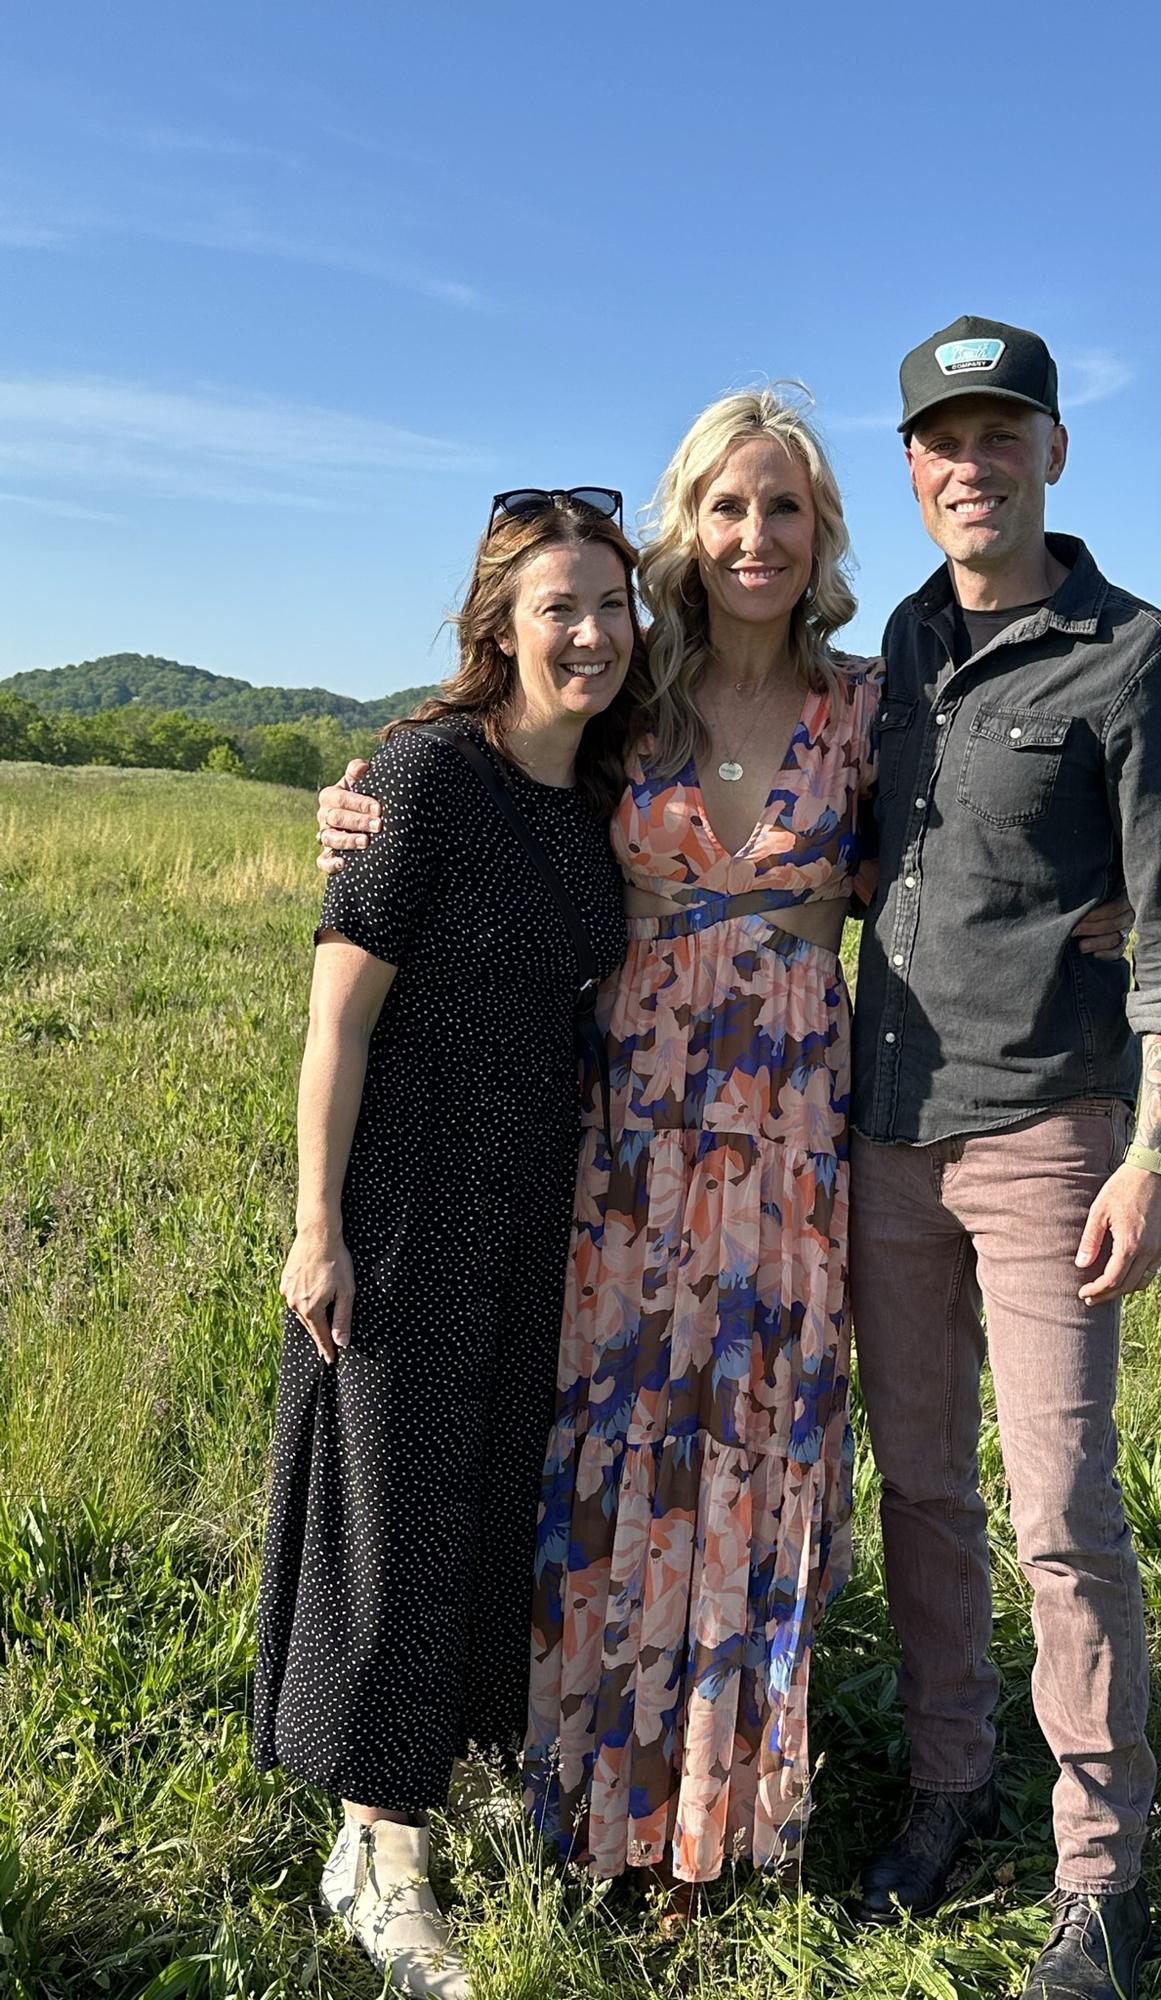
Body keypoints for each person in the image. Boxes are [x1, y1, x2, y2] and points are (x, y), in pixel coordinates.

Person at [315, 391, 1133, 1913]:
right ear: (686, 530)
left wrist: (1108, 896)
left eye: (786, 508)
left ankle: (720, 1817)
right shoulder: (632, 698)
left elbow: (988, 831)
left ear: (824, 532)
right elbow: (489, 754)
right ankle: (591, 1795)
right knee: (618, 1429)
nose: (756, 537)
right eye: (728, 508)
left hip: (797, 1121)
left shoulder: (873, 703)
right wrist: (360, 801)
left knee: (763, 1447)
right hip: (624, 1119)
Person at [846, 317, 1161, 2000]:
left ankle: (1100, 1869)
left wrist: (1156, 1152)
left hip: (1050, 1136)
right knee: (921, 1489)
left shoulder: (1135, 658)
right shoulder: (893, 649)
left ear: (1056, 453)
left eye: (1003, 434)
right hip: (882, 1139)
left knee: (1062, 1507)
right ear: (911, 469)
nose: (974, 464)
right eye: (944, 440)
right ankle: (950, 1780)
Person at [255, 489, 645, 1999]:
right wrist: (318, 1226)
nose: (590, 633)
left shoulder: (594, 791)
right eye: (559, 607)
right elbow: (336, 1023)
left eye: (610, 605)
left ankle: (429, 1776)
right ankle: (376, 1850)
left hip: (536, 1202)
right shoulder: (424, 778)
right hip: (411, 1201)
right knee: (398, 1509)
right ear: (500, 625)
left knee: (488, 1504)